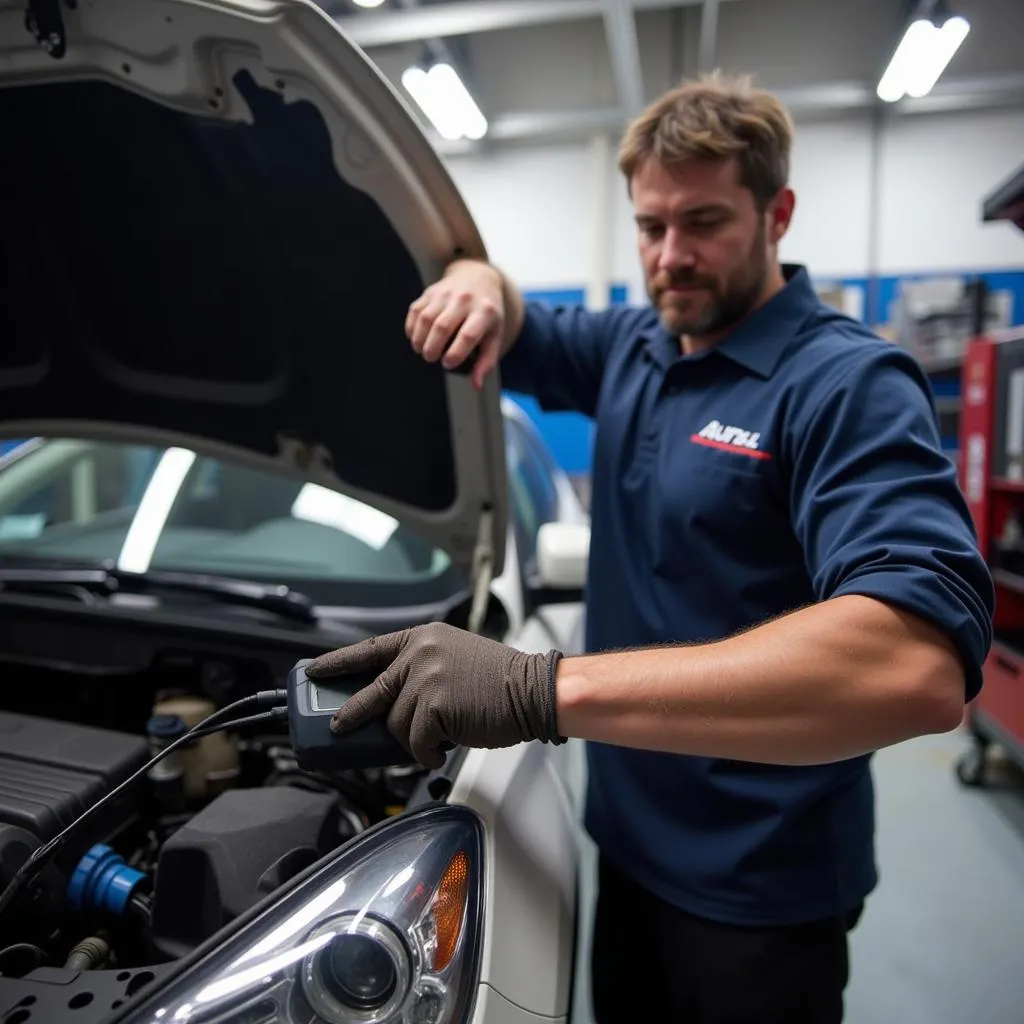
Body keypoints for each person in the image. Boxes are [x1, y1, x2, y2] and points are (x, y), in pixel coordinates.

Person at [308, 72, 994, 1023]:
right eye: (649, 225)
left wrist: (536, 689)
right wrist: (476, 278)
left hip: (761, 891)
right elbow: (513, 316)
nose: (672, 256)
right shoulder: (637, 344)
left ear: (777, 213)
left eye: (705, 222)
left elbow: (915, 665)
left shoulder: (846, 382)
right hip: (624, 848)